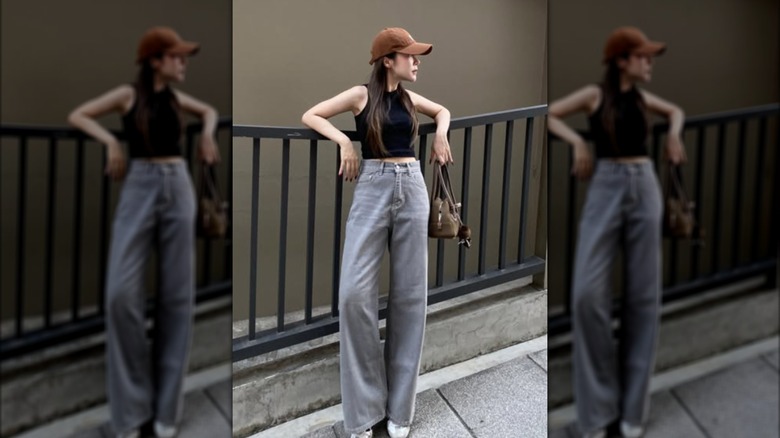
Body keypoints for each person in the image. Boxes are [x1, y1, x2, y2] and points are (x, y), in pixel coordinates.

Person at [68, 26, 219, 438]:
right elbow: (79, 115)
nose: (182, 62)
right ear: (154, 60)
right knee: (121, 294)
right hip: (139, 185)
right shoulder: (128, 94)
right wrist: (112, 143)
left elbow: (208, 112)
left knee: (177, 296)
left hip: (179, 185)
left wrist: (206, 135)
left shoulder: (176, 98)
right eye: (175, 56)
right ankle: (132, 411)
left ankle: (166, 410)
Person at [302, 27, 452, 438]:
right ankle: (366, 412)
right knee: (354, 295)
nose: (416, 61)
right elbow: (311, 114)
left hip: (414, 187)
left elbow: (443, 111)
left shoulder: (409, 98)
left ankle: (400, 411)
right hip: (372, 188)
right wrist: (344, 143)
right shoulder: (360, 95)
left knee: (409, 297)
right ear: (388, 60)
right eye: (410, 56)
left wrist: (439, 134)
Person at [547, 26, 686, 438]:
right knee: (588, 295)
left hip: (645, 186)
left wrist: (674, 135)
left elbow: (675, 112)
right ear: (621, 60)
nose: (649, 63)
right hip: (606, 186)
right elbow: (550, 113)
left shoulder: (643, 99)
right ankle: (599, 409)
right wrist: (578, 142)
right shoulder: (595, 95)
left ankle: (632, 412)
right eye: (642, 56)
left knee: (644, 297)